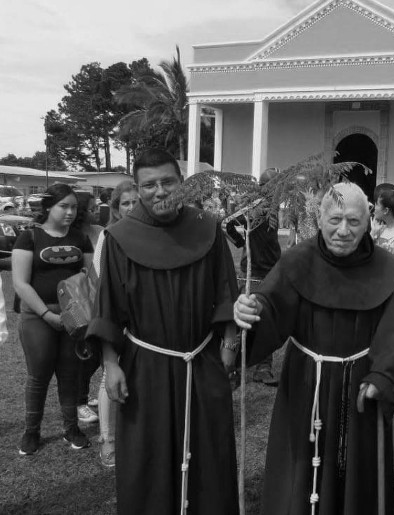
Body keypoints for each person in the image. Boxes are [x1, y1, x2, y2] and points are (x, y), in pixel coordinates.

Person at [234, 182, 394, 515]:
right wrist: (251, 310)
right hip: (306, 385)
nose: (343, 230)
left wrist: (383, 376)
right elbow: (270, 307)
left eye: (354, 221)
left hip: (361, 389)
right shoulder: (297, 261)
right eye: (335, 219)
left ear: (369, 219)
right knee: (300, 475)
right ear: (319, 218)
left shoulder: (387, 269)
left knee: (358, 478)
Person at [85, 148, 240, 515]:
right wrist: (111, 363)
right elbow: (109, 307)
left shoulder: (207, 227)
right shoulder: (120, 238)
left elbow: (225, 291)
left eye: (168, 182)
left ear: (181, 183)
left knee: (208, 456)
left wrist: (230, 346)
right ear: (138, 190)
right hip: (145, 367)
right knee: (148, 461)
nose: (159, 192)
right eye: (149, 185)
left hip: (201, 361)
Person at [13, 183, 94, 455]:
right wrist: (47, 314)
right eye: (64, 206)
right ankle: (31, 432)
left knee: (70, 374)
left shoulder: (81, 238)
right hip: (37, 316)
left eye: (74, 207)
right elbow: (21, 284)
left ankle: (71, 429)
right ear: (48, 207)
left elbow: (90, 278)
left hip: (73, 317)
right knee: (39, 375)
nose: (70, 212)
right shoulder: (29, 237)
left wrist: (81, 312)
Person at [91, 180, 139, 467]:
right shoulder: (109, 236)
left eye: (136, 202)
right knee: (109, 373)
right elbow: (100, 279)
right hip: (116, 315)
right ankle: (107, 440)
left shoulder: (150, 235)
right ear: (116, 208)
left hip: (141, 321)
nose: (132, 207)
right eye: (126, 203)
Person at [223, 168, 281, 386]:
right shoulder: (254, 207)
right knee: (244, 322)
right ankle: (233, 365)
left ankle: (263, 367)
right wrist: (241, 243)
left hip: (272, 271)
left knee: (268, 320)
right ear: (265, 187)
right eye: (275, 186)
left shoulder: (273, 207)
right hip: (254, 274)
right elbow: (226, 223)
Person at [74, 192, 104, 425]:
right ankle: (78, 402)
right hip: (81, 300)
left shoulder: (99, 230)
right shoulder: (72, 236)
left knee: (100, 353)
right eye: (92, 207)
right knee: (85, 355)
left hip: (100, 297)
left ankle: (100, 392)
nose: (96, 211)